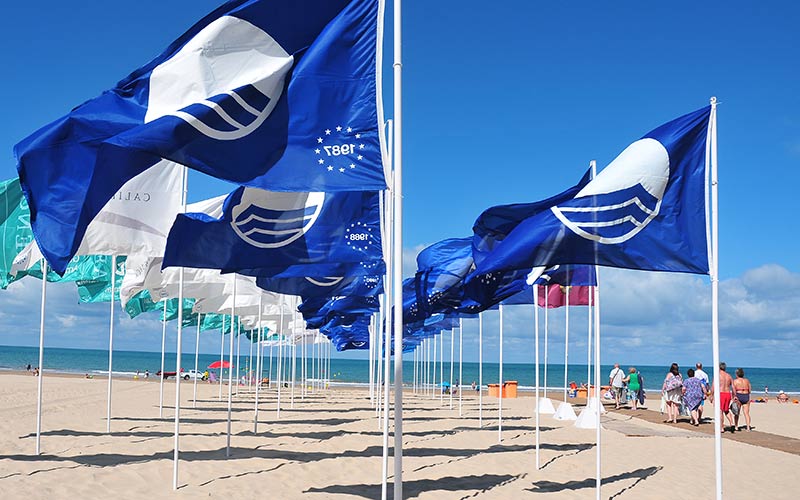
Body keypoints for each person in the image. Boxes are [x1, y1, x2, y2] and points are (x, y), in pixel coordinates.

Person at [716, 362, 736, 432]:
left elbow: (713, 386)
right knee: (726, 410)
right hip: (728, 394)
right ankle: (732, 423)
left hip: (721, 394)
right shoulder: (729, 376)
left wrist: (711, 394)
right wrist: (734, 396)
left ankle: (721, 427)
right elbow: (733, 387)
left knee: (720, 411)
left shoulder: (718, 375)